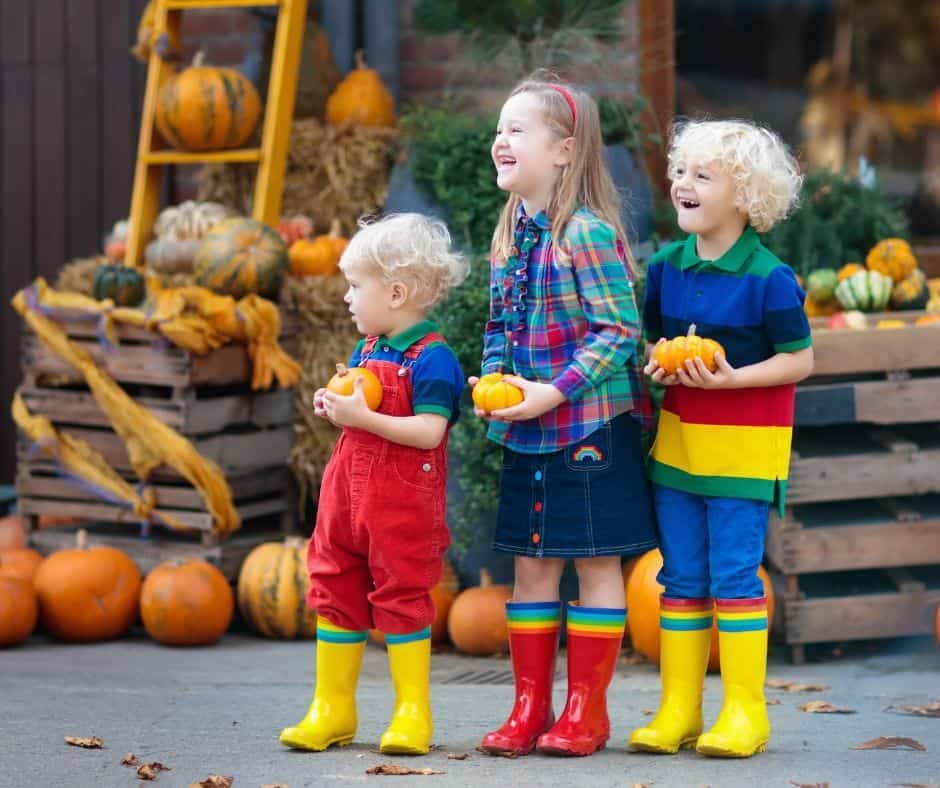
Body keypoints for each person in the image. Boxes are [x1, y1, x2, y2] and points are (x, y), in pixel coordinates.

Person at [475, 72, 657, 758]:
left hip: (588, 427)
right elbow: (499, 325)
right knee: (531, 564)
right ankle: (529, 706)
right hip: (527, 428)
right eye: (499, 129)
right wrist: (494, 377)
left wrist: (553, 390)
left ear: (564, 150)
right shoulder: (509, 237)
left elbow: (618, 332)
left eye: (517, 129)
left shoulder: (587, 234)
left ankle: (587, 710)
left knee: (597, 559)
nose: (501, 139)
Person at [630, 119, 814, 759]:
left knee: (735, 575)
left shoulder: (770, 279)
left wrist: (732, 380)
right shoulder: (665, 266)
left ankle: (745, 712)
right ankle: (680, 708)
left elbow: (799, 360)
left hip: (743, 452)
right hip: (679, 450)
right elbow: (653, 340)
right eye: (680, 171)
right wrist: (657, 362)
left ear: (745, 196)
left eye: (703, 176)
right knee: (680, 577)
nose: (683, 183)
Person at [280, 213, 469, 756]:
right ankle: (332, 708)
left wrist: (363, 419)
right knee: (335, 583)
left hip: (401, 504)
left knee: (402, 595)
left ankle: (412, 713)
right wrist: (338, 409)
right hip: (346, 498)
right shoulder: (369, 349)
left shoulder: (432, 360)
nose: (345, 298)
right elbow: (362, 410)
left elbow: (429, 432)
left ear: (396, 291)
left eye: (355, 286)